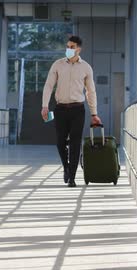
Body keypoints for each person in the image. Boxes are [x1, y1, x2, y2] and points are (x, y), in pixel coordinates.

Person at [41, 36, 102, 187]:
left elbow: (90, 91)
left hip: (78, 110)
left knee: (75, 143)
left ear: (79, 49)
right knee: (60, 142)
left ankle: (72, 178)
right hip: (60, 109)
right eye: (67, 46)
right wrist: (45, 105)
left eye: (72, 46)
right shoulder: (58, 65)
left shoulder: (86, 68)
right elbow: (49, 85)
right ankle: (66, 167)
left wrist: (94, 113)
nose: (69, 49)